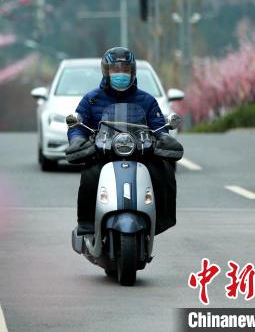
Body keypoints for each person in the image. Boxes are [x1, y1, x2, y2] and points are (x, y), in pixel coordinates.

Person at [67, 47, 177, 236]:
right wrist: (77, 139)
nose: (120, 75)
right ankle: (86, 222)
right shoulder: (91, 99)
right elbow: (78, 124)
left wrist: (164, 138)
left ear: (132, 72)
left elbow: (159, 126)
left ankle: (161, 219)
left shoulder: (147, 100)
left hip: (140, 154)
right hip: (103, 153)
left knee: (163, 171)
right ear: (106, 71)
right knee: (89, 176)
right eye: (115, 70)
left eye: (125, 70)